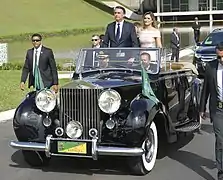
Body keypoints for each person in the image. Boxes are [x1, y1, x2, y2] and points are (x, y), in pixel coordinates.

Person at [200, 42, 223, 180]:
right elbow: (206, 89)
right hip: (218, 109)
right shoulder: (210, 67)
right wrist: (202, 108)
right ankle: (221, 173)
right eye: (219, 57)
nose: (221, 60)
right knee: (220, 140)